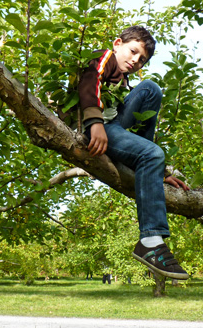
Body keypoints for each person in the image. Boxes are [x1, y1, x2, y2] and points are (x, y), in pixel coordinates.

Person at [78, 25, 190, 280]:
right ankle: (150, 240)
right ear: (118, 43)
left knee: (150, 88)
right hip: (94, 126)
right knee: (153, 153)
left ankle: (146, 164)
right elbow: (90, 80)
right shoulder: (104, 58)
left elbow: (138, 120)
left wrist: (157, 174)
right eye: (133, 52)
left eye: (142, 60)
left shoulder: (125, 82)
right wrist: (94, 122)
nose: (135, 61)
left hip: (114, 128)